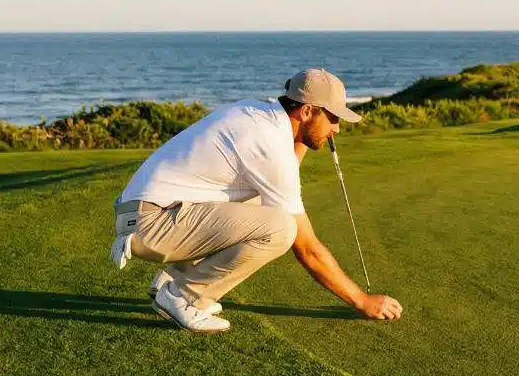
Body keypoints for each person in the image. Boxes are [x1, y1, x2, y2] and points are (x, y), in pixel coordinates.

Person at [109, 69, 404, 333]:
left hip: (149, 216)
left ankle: (173, 280)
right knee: (281, 228)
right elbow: (307, 248)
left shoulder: (262, 116)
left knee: (262, 205)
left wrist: (303, 139)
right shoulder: (268, 141)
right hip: (152, 224)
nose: (337, 128)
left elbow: (282, 181)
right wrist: (362, 300)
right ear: (306, 111)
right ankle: (183, 297)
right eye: (333, 117)